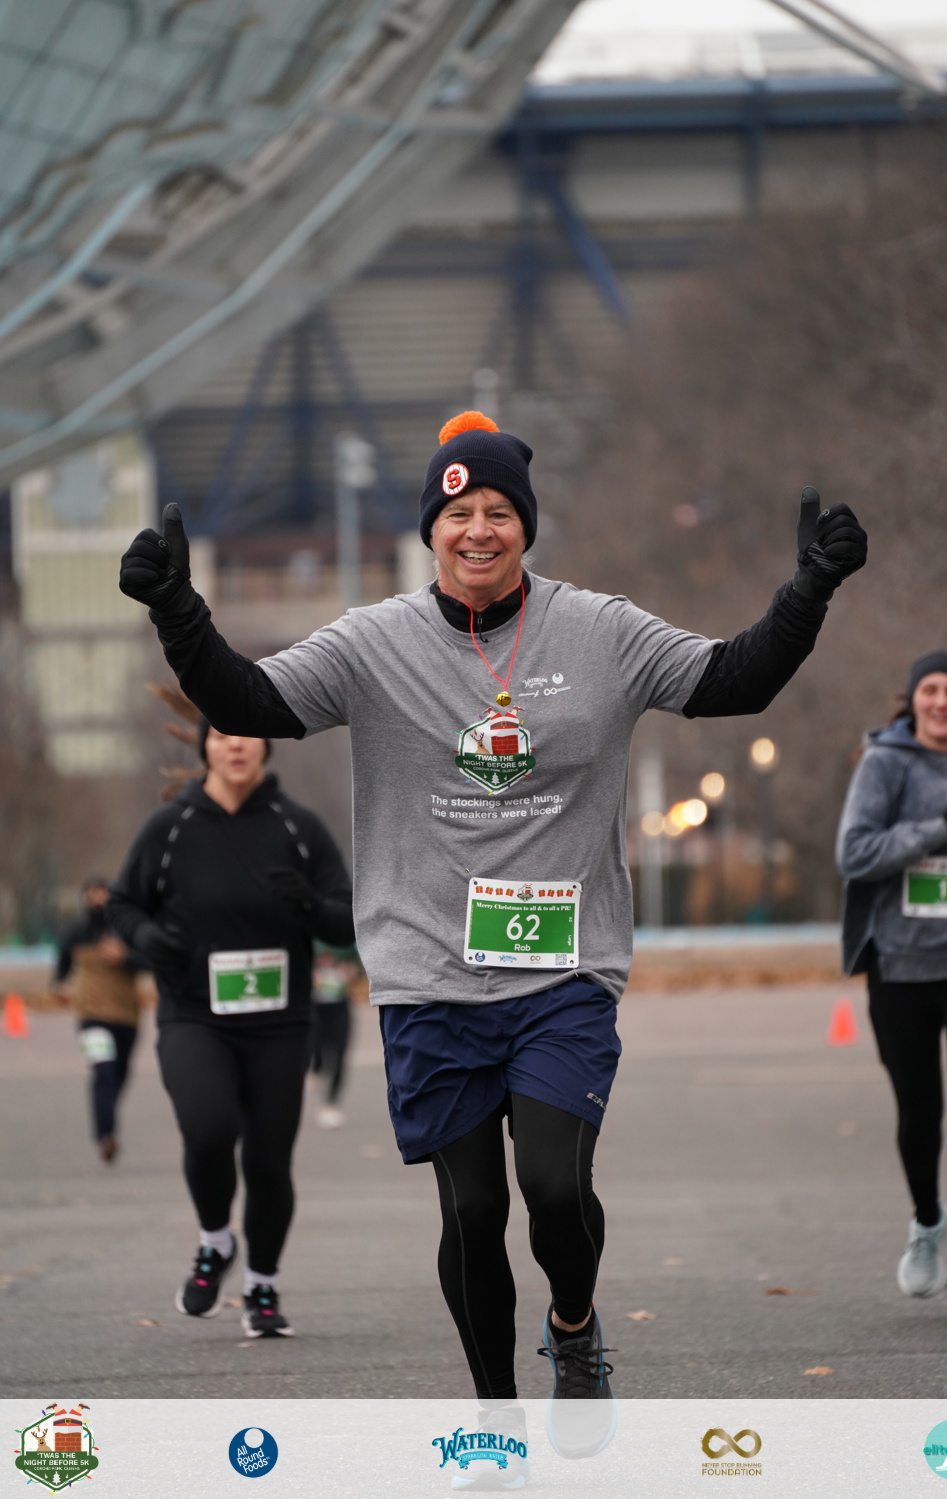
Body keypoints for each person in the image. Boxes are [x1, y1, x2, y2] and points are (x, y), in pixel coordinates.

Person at [118, 411, 865, 1451]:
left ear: (526, 524)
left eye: (499, 511)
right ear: (431, 528)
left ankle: (575, 1325)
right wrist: (176, 609)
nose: (479, 529)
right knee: (471, 1211)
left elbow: (735, 678)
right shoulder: (373, 644)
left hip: (562, 972)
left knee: (554, 1187)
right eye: (458, 511)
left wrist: (809, 590)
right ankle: (494, 1412)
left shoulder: (599, 630)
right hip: (428, 973)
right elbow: (247, 697)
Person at [107, 719, 353, 1338]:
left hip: (279, 1022)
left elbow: (347, 919)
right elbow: (122, 904)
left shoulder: (298, 826)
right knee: (208, 1128)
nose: (234, 744)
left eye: (244, 734)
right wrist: (146, 937)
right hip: (194, 1012)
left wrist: (309, 906)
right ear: (205, 748)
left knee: (269, 1160)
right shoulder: (171, 826)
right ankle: (215, 1241)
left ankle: (262, 1286)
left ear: (265, 744)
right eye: (219, 735)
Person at [837, 651, 947, 1315]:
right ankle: (929, 1222)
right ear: (913, 700)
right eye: (930, 689)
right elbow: (855, 853)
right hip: (900, 965)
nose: (941, 701)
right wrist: (942, 826)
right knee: (919, 1113)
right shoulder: (885, 763)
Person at [54, 878, 142, 1164]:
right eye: (92, 897)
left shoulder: (128, 929)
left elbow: (152, 962)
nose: (97, 903)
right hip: (90, 1016)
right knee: (103, 1072)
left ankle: (107, 1120)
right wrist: (59, 984)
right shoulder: (75, 931)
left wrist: (125, 957)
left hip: (127, 1016)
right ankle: (106, 1134)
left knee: (119, 1074)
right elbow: (62, 965)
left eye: (102, 897)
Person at [310, 947, 359, 1128]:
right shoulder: (312, 961)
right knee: (318, 1055)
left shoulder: (345, 960)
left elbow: (357, 976)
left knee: (338, 1057)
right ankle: (314, 1076)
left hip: (339, 1012)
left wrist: (351, 974)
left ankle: (331, 1104)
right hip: (316, 1012)